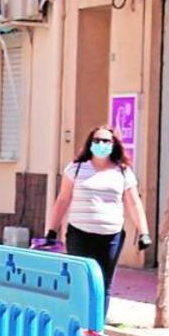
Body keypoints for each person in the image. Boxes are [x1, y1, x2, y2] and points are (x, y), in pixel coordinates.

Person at [40, 126, 150, 313]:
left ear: (114, 144)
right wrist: (51, 230)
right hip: (80, 234)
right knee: (80, 281)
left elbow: (134, 203)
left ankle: (97, 328)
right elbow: (62, 200)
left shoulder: (123, 172)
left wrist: (143, 232)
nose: (101, 144)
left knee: (103, 284)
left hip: (111, 236)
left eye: (106, 141)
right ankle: (78, 321)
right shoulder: (76, 169)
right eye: (97, 140)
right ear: (90, 143)